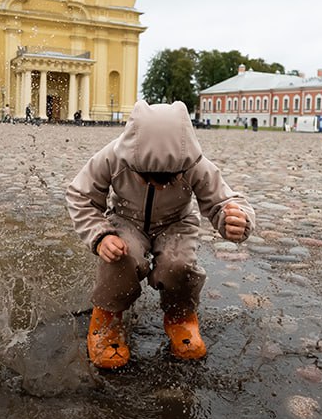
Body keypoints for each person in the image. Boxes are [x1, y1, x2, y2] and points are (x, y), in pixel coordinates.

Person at [66, 100, 256, 370]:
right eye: (149, 176)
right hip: (126, 219)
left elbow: (225, 201)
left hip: (176, 222)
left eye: (170, 178)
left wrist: (236, 220)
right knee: (122, 255)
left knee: (178, 265)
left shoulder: (193, 163)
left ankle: (181, 318)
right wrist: (100, 235)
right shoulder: (113, 156)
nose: (159, 183)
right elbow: (80, 195)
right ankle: (107, 317)